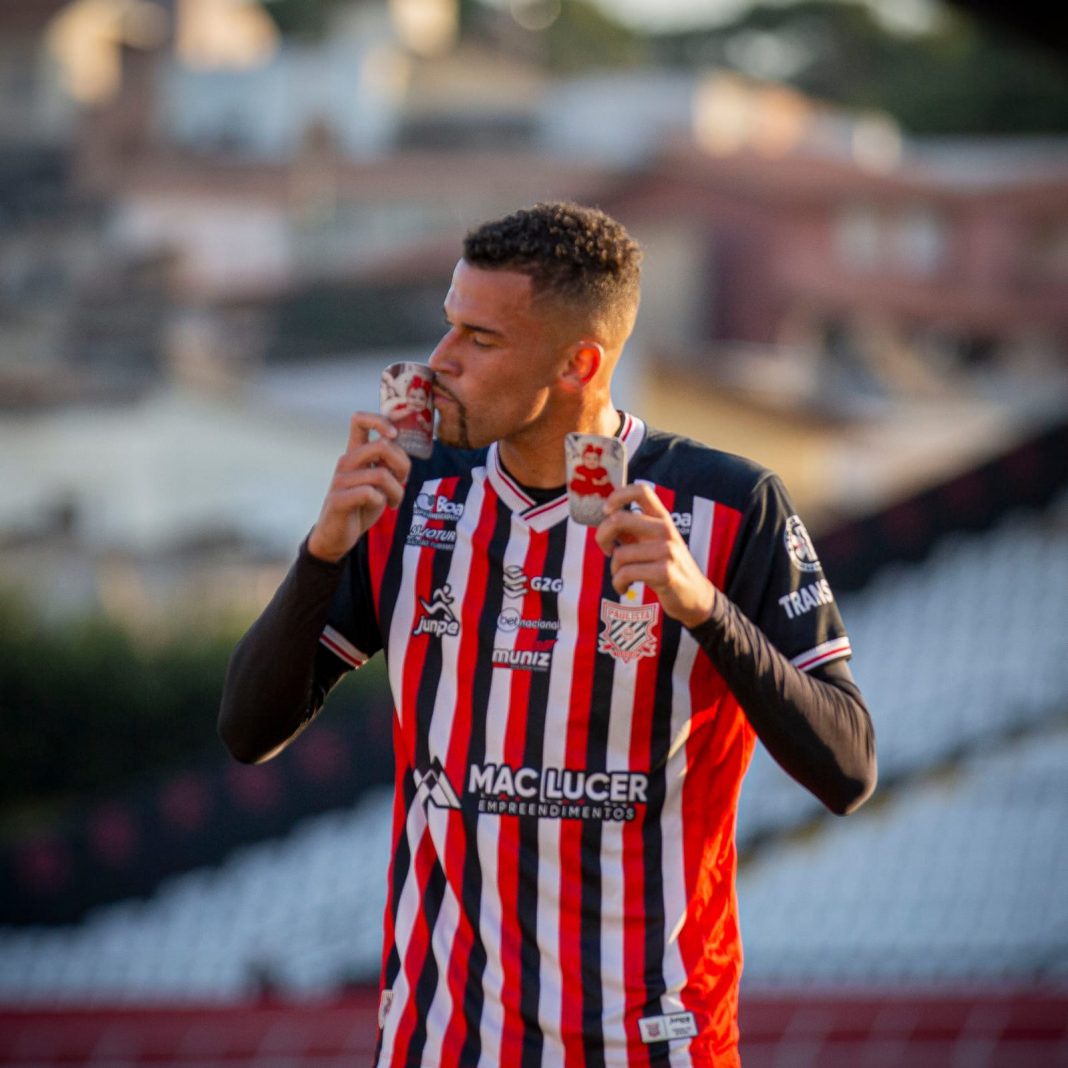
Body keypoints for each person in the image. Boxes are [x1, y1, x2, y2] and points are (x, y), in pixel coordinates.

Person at [219, 202, 877, 1067]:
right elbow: (248, 730)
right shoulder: (410, 494)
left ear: (579, 363)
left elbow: (849, 768)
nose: (441, 360)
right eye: (449, 324)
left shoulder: (730, 506)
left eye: (480, 339)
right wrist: (321, 553)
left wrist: (705, 608)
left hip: (650, 1044)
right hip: (440, 1042)